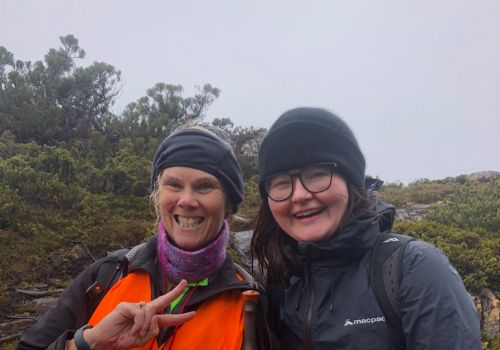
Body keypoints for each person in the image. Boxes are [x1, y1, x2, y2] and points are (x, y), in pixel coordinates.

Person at [18, 125, 276, 350]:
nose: (186, 201)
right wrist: (88, 343)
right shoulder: (108, 275)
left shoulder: (251, 300)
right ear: (157, 195)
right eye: (174, 184)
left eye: (204, 186)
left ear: (230, 203)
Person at [251, 107, 481, 349]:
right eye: (281, 183)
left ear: (351, 182)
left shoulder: (414, 268)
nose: (299, 195)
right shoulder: (277, 279)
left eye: (317, 174)